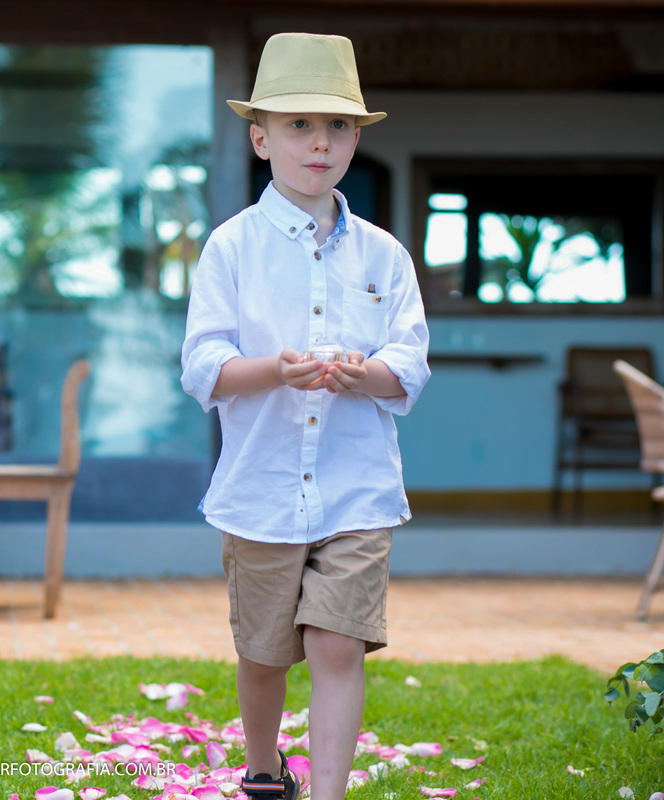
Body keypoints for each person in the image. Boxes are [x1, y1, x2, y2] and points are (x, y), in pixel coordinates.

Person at [180, 34, 430, 800]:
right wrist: (273, 371)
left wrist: (366, 376)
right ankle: (262, 771)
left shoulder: (384, 255)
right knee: (261, 652)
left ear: (357, 138)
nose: (320, 143)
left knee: (336, 641)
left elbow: (410, 363)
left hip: (356, 489)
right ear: (260, 139)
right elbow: (201, 365)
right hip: (259, 488)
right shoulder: (230, 249)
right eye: (297, 125)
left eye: (338, 127)